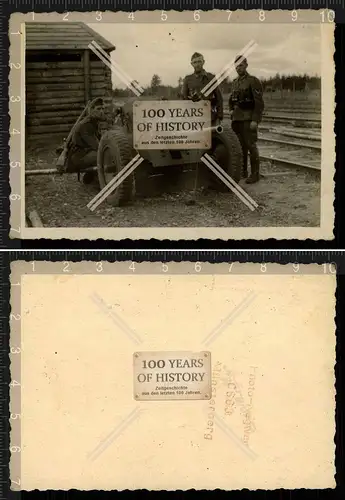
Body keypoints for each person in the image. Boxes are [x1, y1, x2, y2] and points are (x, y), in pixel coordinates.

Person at [229, 56, 264, 184]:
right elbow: (231, 99)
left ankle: (255, 174)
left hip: (248, 119)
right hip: (237, 120)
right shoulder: (234, 82)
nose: (239, 68)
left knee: (251, 146)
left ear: (246, 65)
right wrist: (231, 109)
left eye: (241, 65)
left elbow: (259, 103)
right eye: (237, 66)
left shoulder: (253, 81)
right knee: (240, 147)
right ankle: (243, 172)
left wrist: (255, 120)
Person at [65, 97, 104, 179]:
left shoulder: (94, 122)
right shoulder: (86, 125)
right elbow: (97, 146)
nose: (101, 111)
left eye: (102, 109)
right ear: (92, 110)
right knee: (103, 154)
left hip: (84, 153)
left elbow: (99, 139)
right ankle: (95, 178)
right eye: (98, 109)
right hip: (77, 158)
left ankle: (91, 175)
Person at [182, 52, 223, 124]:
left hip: (210, 117)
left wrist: (219, 116)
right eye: (195, 62)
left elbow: (219, 98)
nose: (197, 64)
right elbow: (183, 99)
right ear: (191, 64)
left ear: (203, 62)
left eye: (199, 61)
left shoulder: (211, 78)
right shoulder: (188, 79)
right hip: (193, 117)